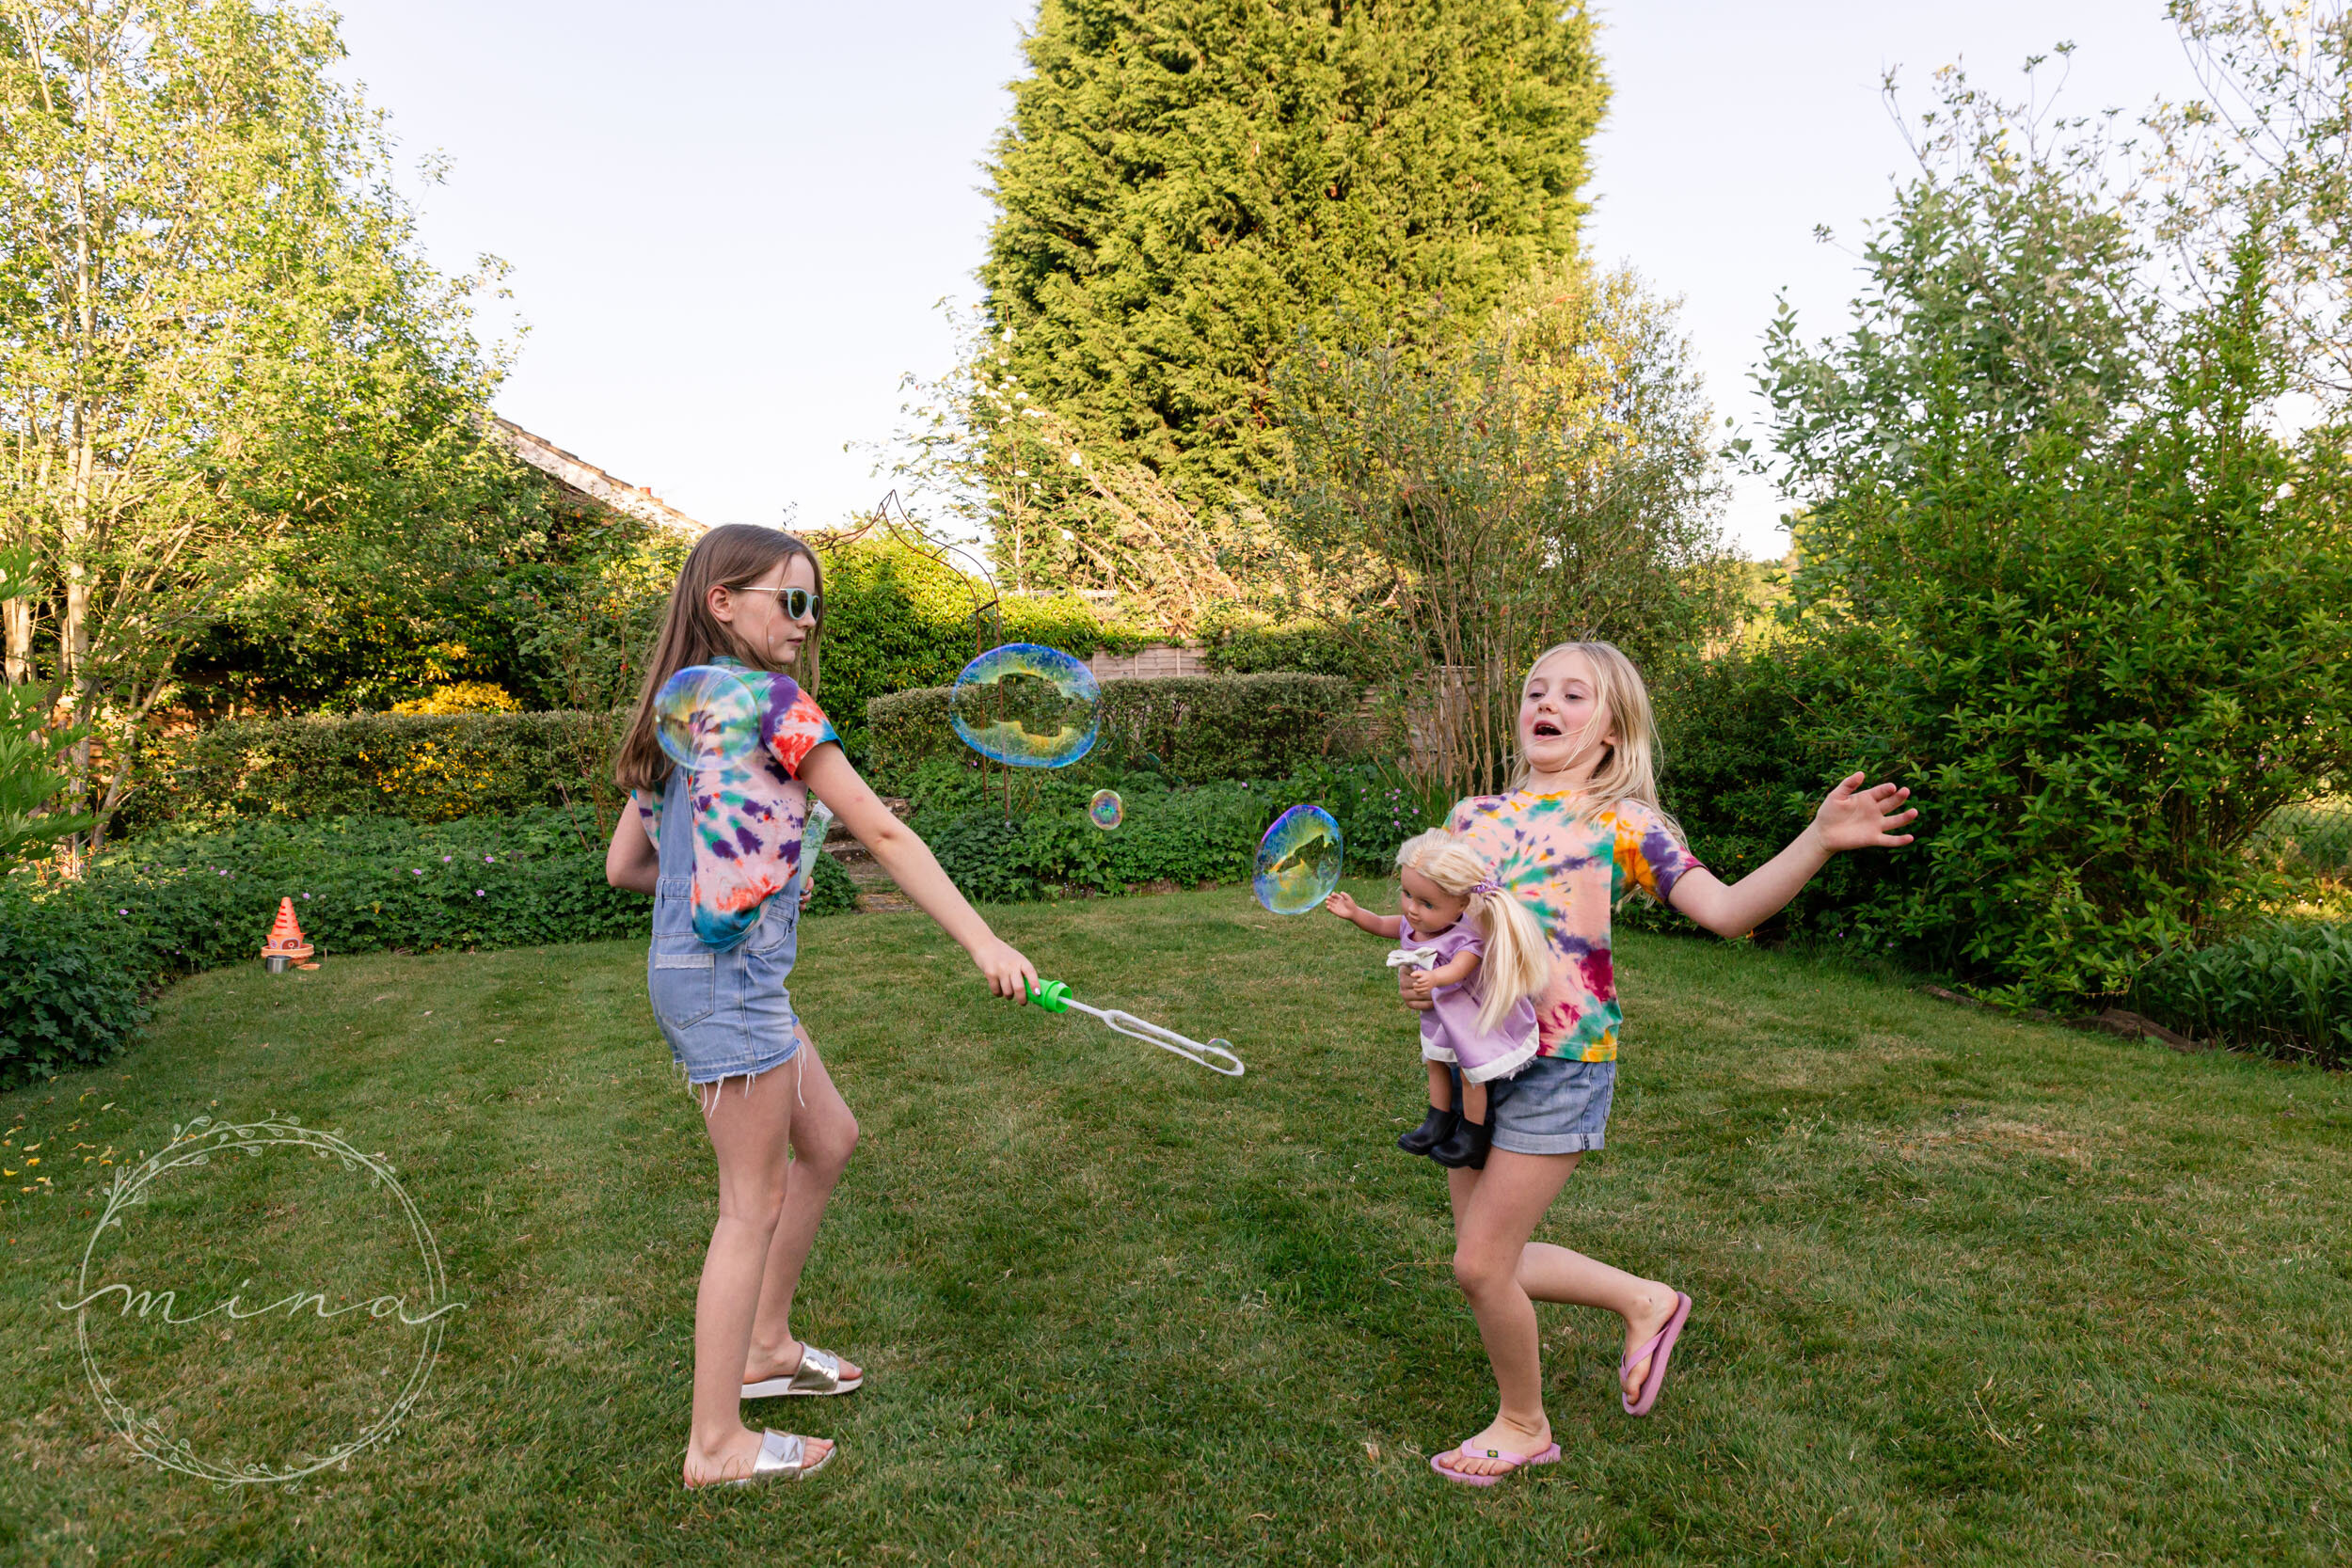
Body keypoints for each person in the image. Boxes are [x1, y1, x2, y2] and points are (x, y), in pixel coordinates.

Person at [1414, 641, 1917, 1485]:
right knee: (1484, 1250)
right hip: (1476, 1063)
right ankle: (1643, 1298)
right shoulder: (1470, 817)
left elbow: (1724, 911)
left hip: (1563, 1061)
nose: (1548, 703)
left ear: (1611, 730)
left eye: (1575, 696)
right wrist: (1423, 973)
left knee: (1479, 1262)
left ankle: (1523, 1422)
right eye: (1538, 690)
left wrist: (1818, 841)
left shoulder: (1620, 821)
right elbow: (1445, 925)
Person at [605, 524, 1039, 1489]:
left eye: (813, 604)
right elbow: (881, 827)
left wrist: (747, 878)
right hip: (728, 987)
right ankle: (714, 1441)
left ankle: (764, 1346)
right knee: (746, 1205)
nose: (806, 622)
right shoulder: (772, 702)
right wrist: (984, 940)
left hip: (714, 973)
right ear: (725, 601)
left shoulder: (678, 715)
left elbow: (629, 866)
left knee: (830, 1135)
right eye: (788, 601)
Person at [1323, 829, 1548, 1169]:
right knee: (1435, 1063)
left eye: (1426, 903)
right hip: (1440, 1017)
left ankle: (1473, 1132)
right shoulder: (1414, 926)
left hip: (1468, 1019)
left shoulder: (1467, 937)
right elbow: (1385, 923)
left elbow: (1459, 969)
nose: (1412, 910)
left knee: (1472, 1072)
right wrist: (1356, 914)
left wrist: (1434, 977)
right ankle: (1437, 1118)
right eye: (1407, 894)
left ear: (1461, 903)